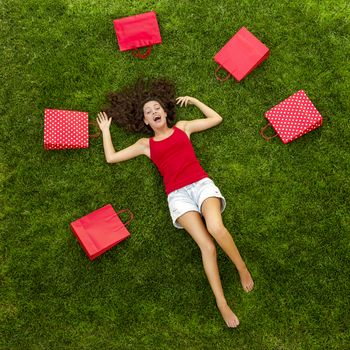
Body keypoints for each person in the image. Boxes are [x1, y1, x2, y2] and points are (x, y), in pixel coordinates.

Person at [96, 79, 254, 328]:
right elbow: (111, 158)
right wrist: (106, 132)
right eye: (148, 112)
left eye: (156, 108)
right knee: (207, 246)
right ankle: (221, 303)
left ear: (166, 112)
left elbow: (216, 118)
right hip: (178, 196)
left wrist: (194, 101)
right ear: (146, 122)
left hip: (201, 184)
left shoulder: (183, 127)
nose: (153, 112)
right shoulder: (145, 145)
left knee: (215, 228)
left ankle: (241, 267)